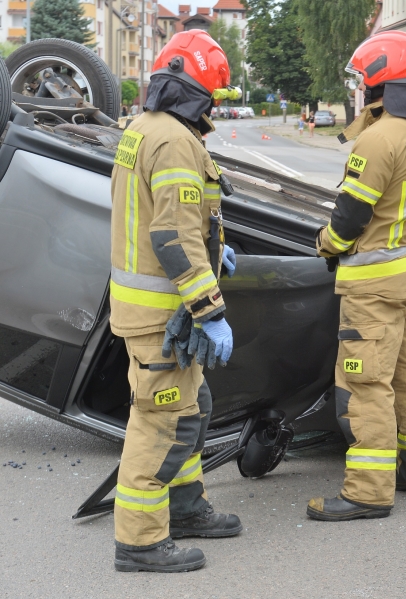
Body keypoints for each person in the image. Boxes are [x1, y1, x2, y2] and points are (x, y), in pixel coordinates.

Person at [108, 30, 244, 572]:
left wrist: (217, 255)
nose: (213, 106)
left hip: (155, 305)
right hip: (162, 310)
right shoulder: (174, 141)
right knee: (164, 423)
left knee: (195, 408)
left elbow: (172, 223)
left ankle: (184, 509)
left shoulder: (145, 128)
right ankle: (140, 542)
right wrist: (209, 309)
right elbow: (172, 237)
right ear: (199, 91)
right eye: (214, 95)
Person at [307, 30, 406, 521]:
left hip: (373, 286)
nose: (360, 86)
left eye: (363, 78)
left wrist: (325, 245)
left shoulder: (377, 138)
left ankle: (367, 492)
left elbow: (349, 217)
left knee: (367, 385)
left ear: (379, 79)